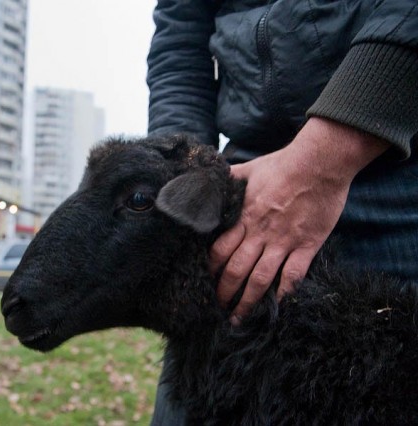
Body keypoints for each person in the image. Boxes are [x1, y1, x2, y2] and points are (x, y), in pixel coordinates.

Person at [146, 1, 418, 424]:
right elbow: (180, 36)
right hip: (242, 194)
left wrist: (325, 157)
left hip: (395, 172)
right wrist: (184, 172)